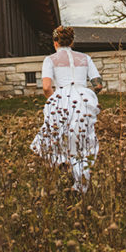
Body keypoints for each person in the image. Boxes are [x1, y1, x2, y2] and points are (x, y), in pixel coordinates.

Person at [30, 25, 103, 192]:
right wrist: (87, 94)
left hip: (61, 99)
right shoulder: (85, 58)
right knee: (81, 140)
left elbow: (47, 87)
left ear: (55, 43)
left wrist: (55, 101)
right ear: (72, 42)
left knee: (57, 137)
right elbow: (98, 84)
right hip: (82, 100)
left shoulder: (50, 60)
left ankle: (62, 167)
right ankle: (81, 182)